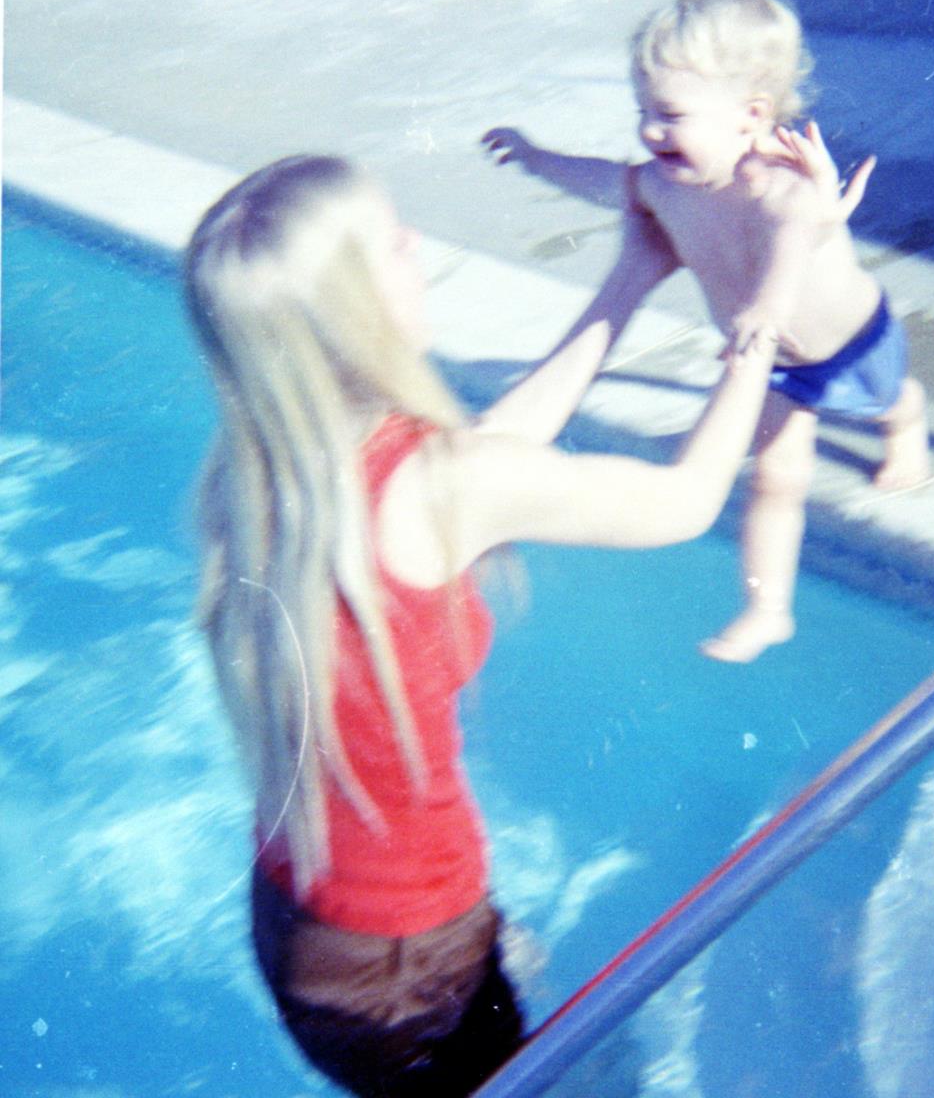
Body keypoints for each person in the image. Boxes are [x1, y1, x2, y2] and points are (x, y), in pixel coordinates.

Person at [184, 153, 780, 1097]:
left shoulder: (255, 477)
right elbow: (685, 501)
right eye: (391, 243)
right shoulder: (437, 486)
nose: (417, 243)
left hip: (307, 922)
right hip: (403, 972)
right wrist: (764, 326)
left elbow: (492, 455)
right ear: (353, 311)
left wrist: (633, 272)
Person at [484, 0, 930, 664]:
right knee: (777, 479)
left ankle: (908, 425)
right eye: (643, 112)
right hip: (773, 362)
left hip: (846, 343)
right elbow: (603, 179)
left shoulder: (780, 181)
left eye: (669, 115)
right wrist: (536, 156)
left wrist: (770, 306)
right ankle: (768, 608)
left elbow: (792, 235)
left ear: (750, 115)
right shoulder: (665, 186)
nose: (650, 133)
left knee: (886, 400)